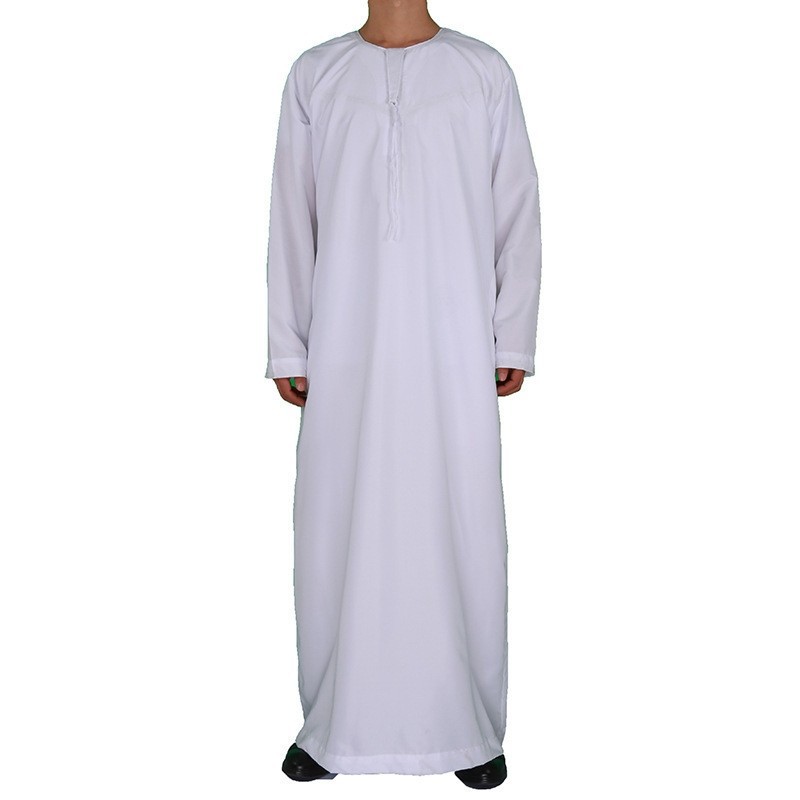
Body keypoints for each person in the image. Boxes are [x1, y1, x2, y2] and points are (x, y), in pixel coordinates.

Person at [265, 0, 542, 789]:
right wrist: (289, 339)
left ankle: (466, 729)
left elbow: (517, 209)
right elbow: (292, 215)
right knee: (337, 523)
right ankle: (334, 727)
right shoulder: (316, 75)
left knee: (457, 517)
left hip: (453, 343)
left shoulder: (482, 72)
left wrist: (511, 334)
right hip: (345, 343)